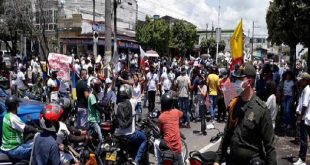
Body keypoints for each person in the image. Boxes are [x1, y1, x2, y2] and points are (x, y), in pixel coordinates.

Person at [214, 63, 277, 165]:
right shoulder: (234, 104)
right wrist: (217, 160)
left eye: (238, 79)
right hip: (233, 160)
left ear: (249, 81)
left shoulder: (261, 110)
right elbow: (227, 135)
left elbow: (269, 146)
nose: (234, 83)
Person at [114, 84, 148, 165]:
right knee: (144, 139)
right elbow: (135, 98)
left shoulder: (118, 105)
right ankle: (136, 161)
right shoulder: (132, 102)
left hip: (119, 134)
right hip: (130, 134)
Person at [154, 93, 184, 165]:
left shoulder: (161, 117)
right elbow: (182, 114)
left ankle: (159, 162)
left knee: (155, 143)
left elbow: (161, 131)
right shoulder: (176, 112)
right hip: (177, 148)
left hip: (167, 147)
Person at [293, 72, 310, 165]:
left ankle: (302, 159)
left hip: (305, 118)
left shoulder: (307, 90)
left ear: (305, 80)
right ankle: (301, 158)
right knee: (304, 139)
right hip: (306, 117)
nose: (299, 81)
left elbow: (305, 105)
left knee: (303, 139)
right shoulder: (305, 89)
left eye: (301, 79)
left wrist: (300, 118)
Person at [88, 78, 107, 143]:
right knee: (101, 139)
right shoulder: (92, 96)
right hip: (93, 120)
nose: (99, 88)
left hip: (96, 119)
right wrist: (105, 112)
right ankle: (98, 151)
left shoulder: (94, 96)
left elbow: (99, 104)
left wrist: (105, 105)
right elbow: (96, 106)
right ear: (94, 87)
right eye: (98, 86)